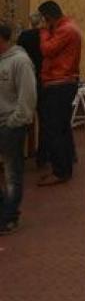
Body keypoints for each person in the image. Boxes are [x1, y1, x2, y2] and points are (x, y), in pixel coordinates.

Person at [36, 0, 81, 186]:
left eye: (43, 19)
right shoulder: (69, 26)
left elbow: (47, 50)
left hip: (59, 83)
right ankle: (64, 166)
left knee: (54, 129)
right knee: (62, 127)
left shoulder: (65, 30)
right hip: (63, 82)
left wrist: (44, 31)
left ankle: (60, 171)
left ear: (48, 17)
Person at [0, 23, 38, 235]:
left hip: (11, 126)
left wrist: (15, 121)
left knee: (12, 173)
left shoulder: (20, 62)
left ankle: (9, 217)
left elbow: (28, 96)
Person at [16, 13, 44, 167]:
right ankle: (42, 155)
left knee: (25, 115)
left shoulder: (24, 36)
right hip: (43, 79)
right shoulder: (46, 35)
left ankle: (23, 151)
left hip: (27, 78)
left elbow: (18, 53)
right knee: (44, 117)